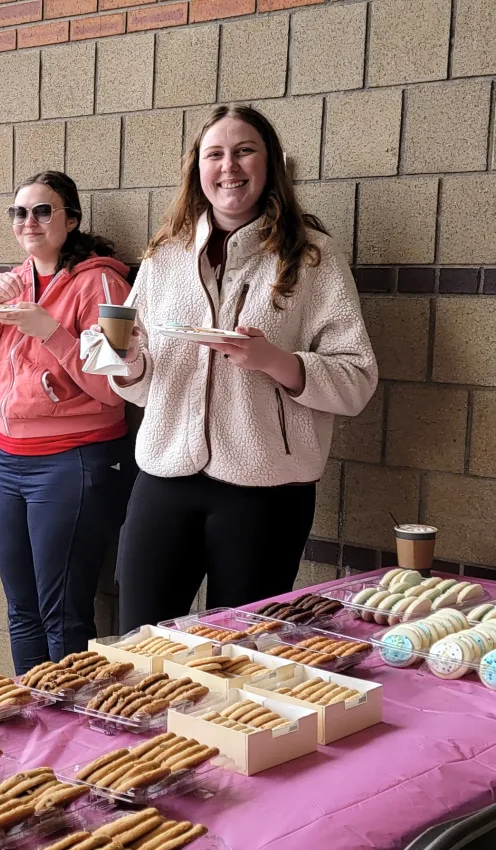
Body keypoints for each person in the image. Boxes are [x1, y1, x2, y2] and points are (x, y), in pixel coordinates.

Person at [107, 105, 378, 630]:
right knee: (138, 644)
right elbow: (141, 389)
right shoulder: (165, 256)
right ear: (198, 170)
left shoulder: (312, 257)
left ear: (269, 163)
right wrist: (127, 361)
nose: (229, 166)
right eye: (215, 154)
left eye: (244, 150)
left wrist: (275, 361)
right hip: (164, 479)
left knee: (243, 653)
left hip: (266, 492)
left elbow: (357, 381)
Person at [0, 171, 138, 673]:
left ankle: (69, 730)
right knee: (21, 612)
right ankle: (29, 721)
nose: (29, 221)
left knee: (62, 615)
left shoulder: (102, 282)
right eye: (20, 212)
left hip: (73, 460)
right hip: (6, 458)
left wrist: (51, 331)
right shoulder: (15, 281)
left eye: (43, 210)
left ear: (72, 219)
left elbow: (112, 388)